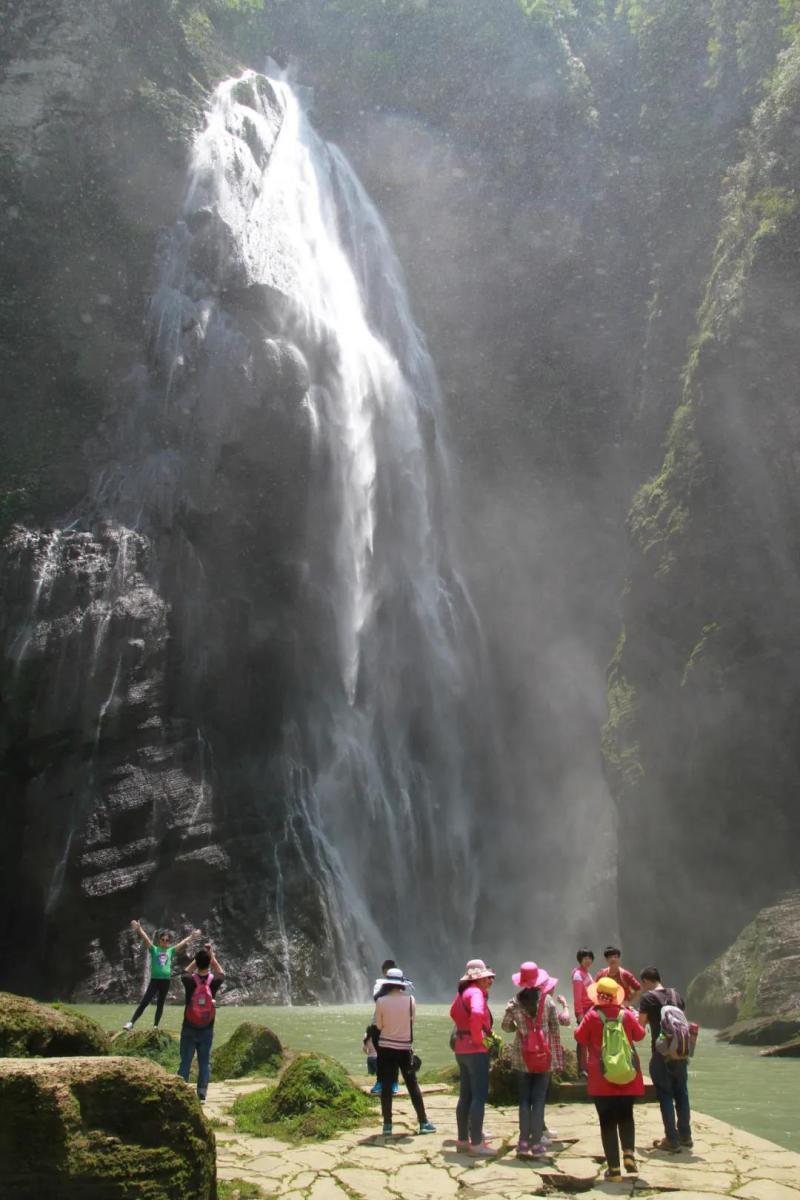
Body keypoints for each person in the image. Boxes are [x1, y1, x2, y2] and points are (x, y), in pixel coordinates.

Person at [575, 975, 646, 1182]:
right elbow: (640, 1035)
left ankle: (614, 1170)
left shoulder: (592, 1015)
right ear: (616, 995)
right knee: (626, 1115)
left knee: (607, 1122)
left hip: (601, 1076)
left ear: (598, 996)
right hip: (627, 1074)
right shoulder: (626, 1014)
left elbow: (579, 1037)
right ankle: (629, 1154)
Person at [502, 961, 567, 1159]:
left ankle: (522, 1142)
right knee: (538, 1100)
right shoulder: (548, 1002)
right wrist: (557, 1061)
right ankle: (537, 1143)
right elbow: (555, 1031)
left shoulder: (514, 1003)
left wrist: (518, 1029)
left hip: (522, 1058)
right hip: (543, 1058)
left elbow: (505, 1026)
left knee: (524, 1100)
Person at [373, 966, 435, 1138]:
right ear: (401, 984)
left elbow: (378, 1026)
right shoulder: (410, 1000)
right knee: (412, 1083)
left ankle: (387, 1126)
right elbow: (412, 1022)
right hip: (404, 1047)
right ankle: (423, 1122)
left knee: (386, 1086)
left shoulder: (381, 1001)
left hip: (386, 1048)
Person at [638, 966, 693, 1152]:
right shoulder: (676, 995)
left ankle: (671, 1139)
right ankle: (685, 1135)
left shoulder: (647, 998)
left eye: (642, 984)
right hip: (681, 1052)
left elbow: (640, 1027)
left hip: (661, 1053)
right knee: (682, 1093)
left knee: (665, 1094)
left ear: (646, 981)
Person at [450, 958, 496, 1157]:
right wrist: (479, 1038)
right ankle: (476, 1143)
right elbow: (477, 1013)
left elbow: (453, 1013)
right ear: (479, 978)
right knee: (479, 1096)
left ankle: (462, 1140)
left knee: (465, 1096)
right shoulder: (475, 993)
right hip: (475, 1050)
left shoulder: (460, 994)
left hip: (460, 1048)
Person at [122, 920, 201, 1030]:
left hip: (165, 981)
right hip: (155, 980)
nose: (165, 941)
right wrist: (139, 929)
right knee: (145, 1002)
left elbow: (182, 943)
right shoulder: (154, 949)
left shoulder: (170, 951)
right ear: (159, 941)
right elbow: (146, 939)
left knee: (160, 1004)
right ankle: (131, 1023)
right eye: (163, 940)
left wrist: (192, 937)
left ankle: (155, 1026)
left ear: (169, 942)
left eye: (167, 940)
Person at [177, 945, 225, 1102]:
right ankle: (202, 1092)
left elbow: (185, 972)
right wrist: (212, 957)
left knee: (185, 1061)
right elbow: (221, 973)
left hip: (189, 1026)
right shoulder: (214, 982)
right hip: (207, 1028)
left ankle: (181, 1089)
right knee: (204, 1062)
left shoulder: (189, 980)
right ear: (209, 962)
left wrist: (196, 961)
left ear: (196, 963)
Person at [369, 959, 401, 1096]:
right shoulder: (379, 984)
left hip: (395, 1024)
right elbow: (376, 998)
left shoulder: (400, 987)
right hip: (378, 1023)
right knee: (380, 1055)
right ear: (383, 973)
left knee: (394, 1054)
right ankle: (380, 1081)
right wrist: (387, 987)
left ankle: (394, 1082)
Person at [572, 949, 595, 1076]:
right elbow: (577, 997)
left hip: (590, 1010)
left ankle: (587, 1066)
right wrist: (579, 1014)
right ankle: (582, 1069)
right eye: (585, 958)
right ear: (580, 959)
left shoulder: (586, 973)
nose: (588, 960)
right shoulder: (578, 975)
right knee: (583, 1040)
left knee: (589, 1039)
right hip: (584, 1011)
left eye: (590, 958)